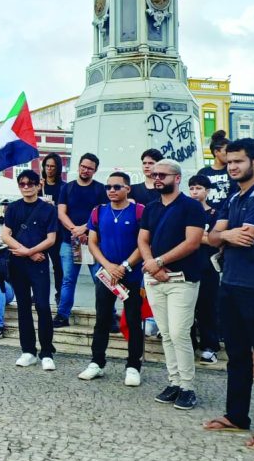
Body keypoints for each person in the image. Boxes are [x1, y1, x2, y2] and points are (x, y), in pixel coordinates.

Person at [202, 139, 254, 449]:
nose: (233, 166)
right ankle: (237, 416)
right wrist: (225, 235)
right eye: (230, 161)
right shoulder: (235, 197)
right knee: (236, 355)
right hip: (231, 284)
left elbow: (247, 237)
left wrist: (224, 235)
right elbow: (211, 237)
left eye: (239, 161)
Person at [138, 158, 206, 411]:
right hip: (156, 280)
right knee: (166, 334)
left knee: (179, 333)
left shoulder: (191, 206)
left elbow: (192, 242)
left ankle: (188, 387)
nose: (157, 179)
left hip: (182, 279)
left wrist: (159, 261)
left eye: (163, 175)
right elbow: (143, 239)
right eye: (154, 175)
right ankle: (174, 382)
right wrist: (153, 265)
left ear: (177, 178)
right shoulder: (151, 208)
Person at [78, 171, 146, 386]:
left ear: (128, 188)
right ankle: (96, 362)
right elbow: (92, 242)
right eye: (108, 187)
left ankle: (133, 366)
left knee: (134, 321)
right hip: (106, 276)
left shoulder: (139, 211)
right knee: (102, 319)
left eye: (117, 187)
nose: (112, 191)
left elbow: (144, 243)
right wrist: (108, 266)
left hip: (132, 275)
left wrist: (125, 266)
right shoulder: (99, 211)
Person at [2, 169, 58, 371]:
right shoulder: (14, 208)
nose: (26, 187)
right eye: (22, 183)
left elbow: (51, 239)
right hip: (19, 263)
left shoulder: (48, 209)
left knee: (43, 306)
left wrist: (31, 252)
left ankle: (47, 352)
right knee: (23, 306)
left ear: (38, 184)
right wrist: (27, 252)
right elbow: (5, 235)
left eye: (30, 183)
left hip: (39, 263)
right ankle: (28, 350)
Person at [55, 153, 107, 327]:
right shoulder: (67, 188)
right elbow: (61, 213)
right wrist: (75, 230)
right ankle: (62, 315)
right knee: (68, 280)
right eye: (83, 166)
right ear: (78, 166)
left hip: (93, 242)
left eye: (90, 168)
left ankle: (108, 316)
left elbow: (102, 214)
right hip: (69, 241)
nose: (85, 170)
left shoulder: (100, 189)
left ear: (95, 170)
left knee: (100, 280)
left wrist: (86, 228)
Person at [187, 175, 221, 366]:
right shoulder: (185, 211)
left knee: (208, 307)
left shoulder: (215, 213)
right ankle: (189, 345)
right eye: (192, 188)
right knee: (187, 308)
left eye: (198, 188)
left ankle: (210, 346)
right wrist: (202, 236)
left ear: (207, 191)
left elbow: (216, 239)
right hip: (188, 265)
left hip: (209, 267)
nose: (195, 192)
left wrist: (196, 237)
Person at [40, 152, 65, 303]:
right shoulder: (38, 185)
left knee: (57, 265)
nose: (49, 169)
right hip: (40, 231)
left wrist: (53, 207)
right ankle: (38, 293)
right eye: (47, 166)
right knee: (39, 264)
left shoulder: (63, 187)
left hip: (57, 230)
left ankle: (59, 293)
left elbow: (66, 210)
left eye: (53, 167)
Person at [197, 131, 231, 210]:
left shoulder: (232, 171)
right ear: (216, 152)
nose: (229, 154)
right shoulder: (203, 172)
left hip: (228, 216)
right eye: (226, 151)